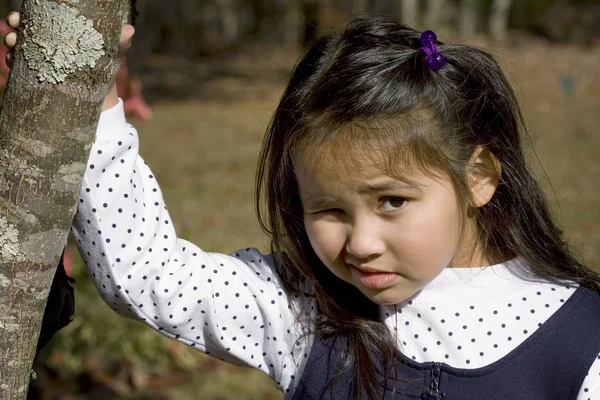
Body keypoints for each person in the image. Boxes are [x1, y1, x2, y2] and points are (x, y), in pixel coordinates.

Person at [5, 12, 600, 400]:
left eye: (392, 201)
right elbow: (149, 274)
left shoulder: (581, 345)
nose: (360, 242)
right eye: (329, 210)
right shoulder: (303, 312)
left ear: (479, 178)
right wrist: (94, 96)